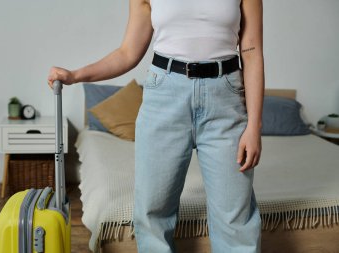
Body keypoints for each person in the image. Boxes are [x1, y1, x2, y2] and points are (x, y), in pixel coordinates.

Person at [48, 0, 264, 252]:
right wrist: (75, 75)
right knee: (153, 211)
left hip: (226, 98)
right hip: (164, 95)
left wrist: (254, 127)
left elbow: (251, 50)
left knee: (235, 217)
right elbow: (127, 53)